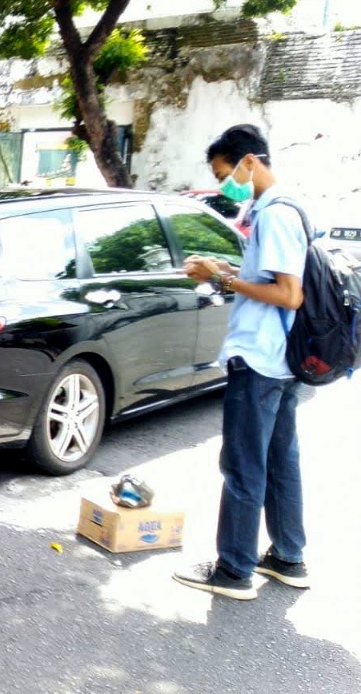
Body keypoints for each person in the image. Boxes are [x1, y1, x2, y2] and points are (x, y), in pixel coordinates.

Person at [174, 124, 311, 600]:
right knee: (278, 460)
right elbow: (270, 282)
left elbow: (288, 294)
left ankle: (234, 570)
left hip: (261, 360)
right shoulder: (286, 207)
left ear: (249, 161)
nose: (225, 183)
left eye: (225, 172)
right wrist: (222, 271)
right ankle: (288, 557)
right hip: (283, 359)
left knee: (243, 465)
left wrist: (227, 282)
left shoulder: (275, 215)